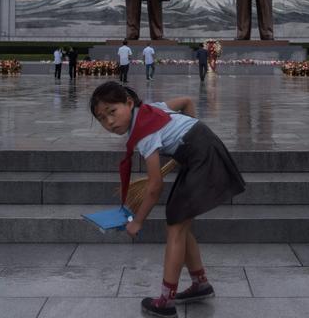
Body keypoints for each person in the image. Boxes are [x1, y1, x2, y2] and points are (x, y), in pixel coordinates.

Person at [90, 82, 245, 318]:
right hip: (201, 150)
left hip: (203, 156)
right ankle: (200, 284)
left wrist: (138, 222)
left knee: (175, 226)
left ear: (129, 103)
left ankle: (165, 301)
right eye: (102, 118)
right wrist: (188, 139)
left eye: (112, 111)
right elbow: (186, 102)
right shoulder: (151, 109)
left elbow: (154, 186)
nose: (109, 122)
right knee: (179, 220)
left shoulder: (144, 135)